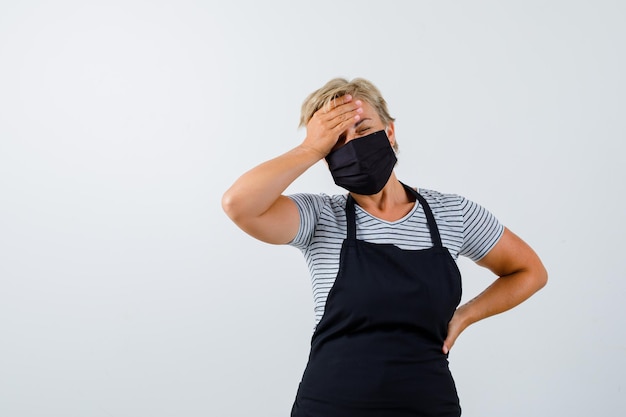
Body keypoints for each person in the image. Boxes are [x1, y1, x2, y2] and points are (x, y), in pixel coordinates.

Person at [221, 77, 547, 417]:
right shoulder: (319, 217)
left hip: (428, 407)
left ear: (389, 132)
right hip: (329, 408)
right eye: (337, 141)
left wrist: (465, 315)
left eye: (362, 130)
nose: (353, 146)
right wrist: (309, 148)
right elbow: (238, 205)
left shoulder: (453, 213)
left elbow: (530, 271)